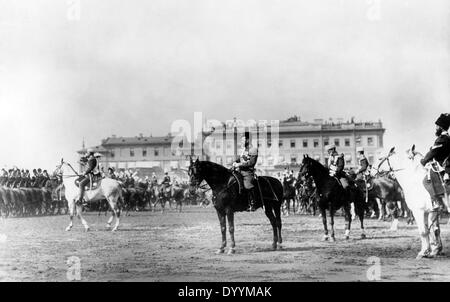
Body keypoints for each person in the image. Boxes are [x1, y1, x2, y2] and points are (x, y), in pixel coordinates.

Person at [420, 113, 450, 211]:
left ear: (441, 127)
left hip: (443, 165)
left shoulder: (442, 139)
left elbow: (433, 152)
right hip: (443, 164)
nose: (436, 128)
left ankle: (436, 202)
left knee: (425, 181)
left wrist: (423, 161)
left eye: (437, 126)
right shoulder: (446, 138)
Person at [232, 133, 259, 211]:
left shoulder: (253, 149)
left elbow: (251, 163)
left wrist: (239, 164)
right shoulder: (243, 150)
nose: (241, 142)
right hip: (239, 171)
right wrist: (234, 162)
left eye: (243, 140)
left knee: (247, 185)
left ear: (247, 140)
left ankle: (252, 203)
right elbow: (239, 159)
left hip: (247, 172)